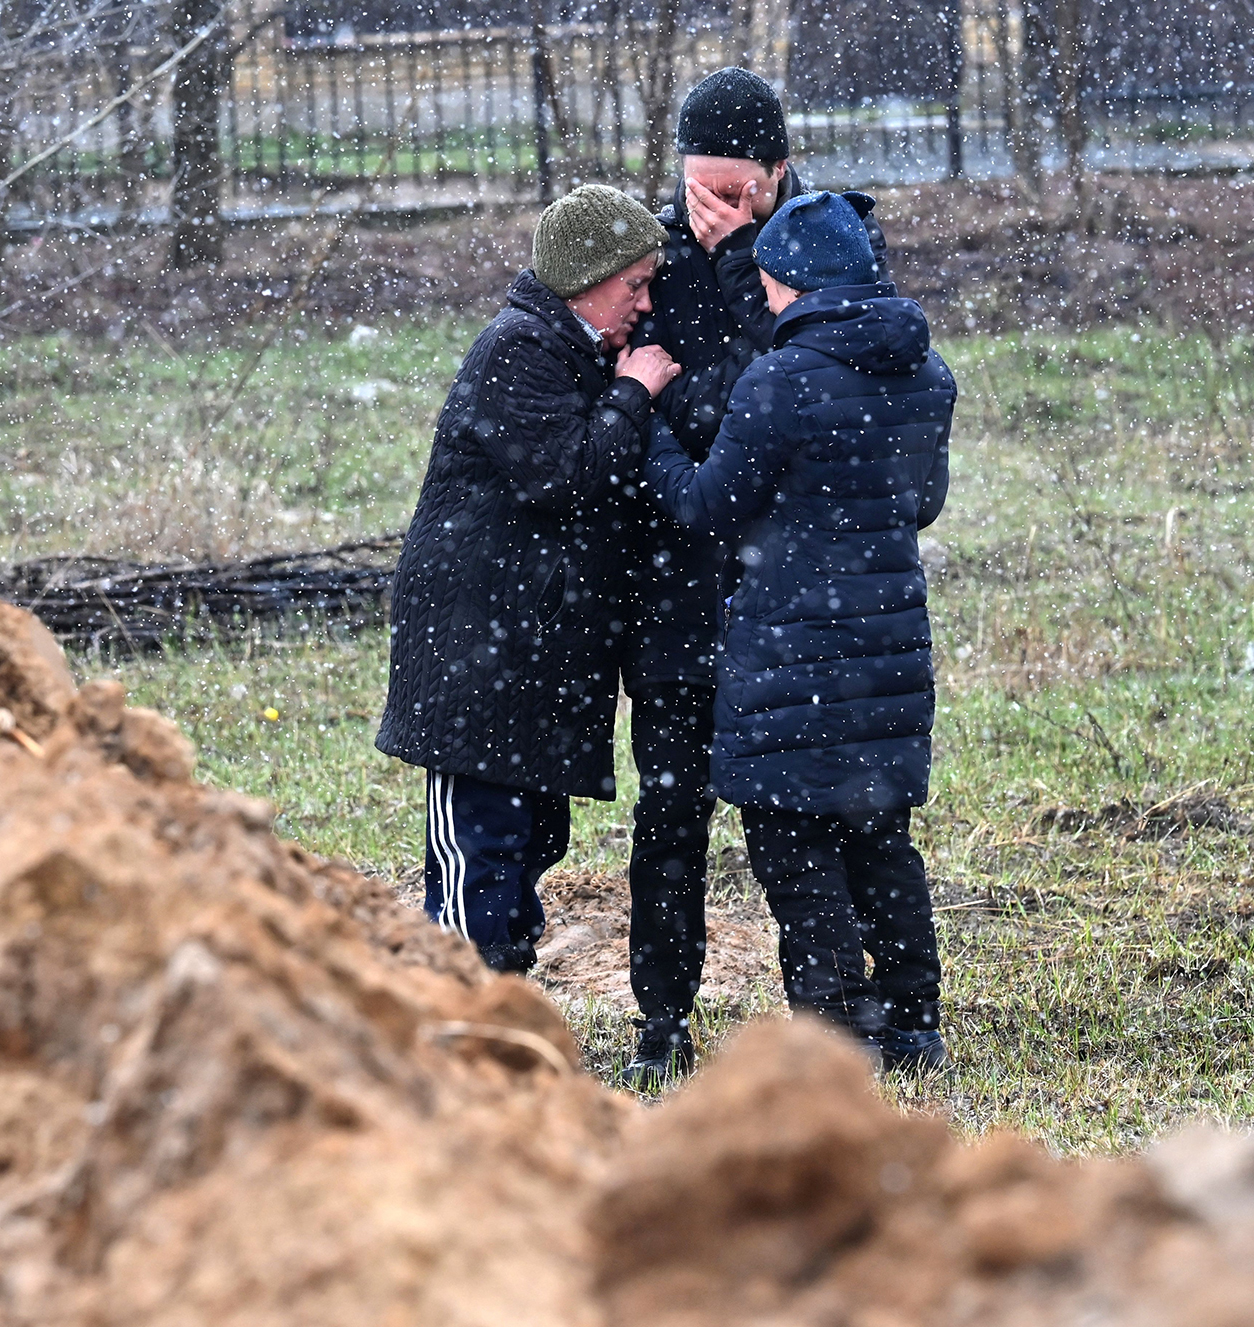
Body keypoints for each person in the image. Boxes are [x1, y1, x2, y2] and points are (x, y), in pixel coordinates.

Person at [617, 66, 888, 1089]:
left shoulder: (831, 250)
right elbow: (667, 400)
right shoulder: (650, 258)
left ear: (781, 171)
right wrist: (697, 403)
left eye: (738, 191)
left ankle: (841, 1016)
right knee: (669, 816)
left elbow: (771, 400)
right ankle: (660, 1018)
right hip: (679, 591)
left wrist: (738, 266)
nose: (715, 211)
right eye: (701, 190)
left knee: (817, 818)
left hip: (797, 602)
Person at [642, 189, 955, 1073]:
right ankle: (914, 1025)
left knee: (794, 843)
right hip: (887, 651)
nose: (767, 304)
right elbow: (920, 502)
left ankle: (833, 1029)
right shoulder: (926, 374)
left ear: (794, 284)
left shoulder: (779, 382)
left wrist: (656, 426)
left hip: (792, 652)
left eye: (772, 288)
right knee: (881, 839)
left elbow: (706, 506)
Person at [377, 184, 680, 973]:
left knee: (531, 833)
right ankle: (464, 1003)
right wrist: (632, 391)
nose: (645, 305)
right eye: (635, 284)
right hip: (477, 652)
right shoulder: (519, 348)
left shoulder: (569, 348)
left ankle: (499, 990)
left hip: (524, 650)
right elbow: (568, 477)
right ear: (585, 278)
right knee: (481, 841)